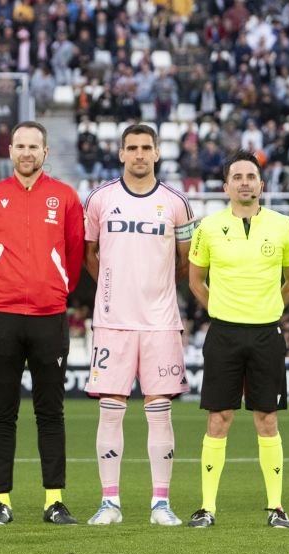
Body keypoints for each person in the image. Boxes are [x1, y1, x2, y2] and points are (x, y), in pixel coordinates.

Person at [82, 123, 195, 527]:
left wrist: (155, 291)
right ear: (121, 154)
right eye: (132, 148)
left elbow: (185, 262)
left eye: (147, 147)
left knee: (159, 411)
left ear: (158, 153)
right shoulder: (100, 200)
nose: (140, 154)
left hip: (161, 323)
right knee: (110, 412)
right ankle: (109, 502)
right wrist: (116, 290)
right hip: (113, 322)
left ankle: (160, 504)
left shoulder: (177, 203)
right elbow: (90, 255)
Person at [0, 121, 85, 525]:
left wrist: (53, 289)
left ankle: (53, 500)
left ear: (45, 151)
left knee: (50, 413)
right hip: (2, 317)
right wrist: (1, 288)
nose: (26, 153)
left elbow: (74, 256)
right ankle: (0, 501)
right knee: (2, 413)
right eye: (19, 146)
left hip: (48, 319)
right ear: (11, 151)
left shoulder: (66, 197)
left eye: (33, 146)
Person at [187, 150, 289, 529]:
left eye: (250, 176)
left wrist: (267, 308)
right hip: (223, 333)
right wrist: (221, 308)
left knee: (266, 418)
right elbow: (194, 280)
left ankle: (276, 508)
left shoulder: (284, 226)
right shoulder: (207, 227)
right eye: (237, 176)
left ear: (261, 184)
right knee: (218, 418)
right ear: (226, 187)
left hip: (266, 333)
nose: (244, 182)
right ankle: (207, 508)